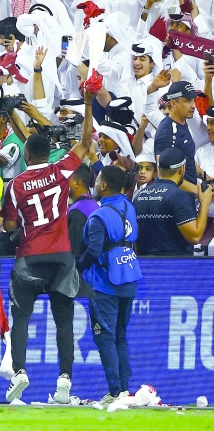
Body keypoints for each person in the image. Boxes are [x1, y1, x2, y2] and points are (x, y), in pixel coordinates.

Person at [0, 90, 94, 404]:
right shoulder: (61, 170)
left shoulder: (15, 185)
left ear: (26, 155)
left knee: (22, 318)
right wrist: (90, 102)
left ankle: (20, 371)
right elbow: (85, 143)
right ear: (47, 153)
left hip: (29, 256)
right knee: (64, 320)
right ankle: (65, 380)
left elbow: (10, 227)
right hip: (62, 257)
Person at [77, 164, 141, 406]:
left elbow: (93, 249)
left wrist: (77, 269)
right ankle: (124, 390)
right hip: (130, 274)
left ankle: (114, 392)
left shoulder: (98, 216)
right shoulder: (129, 206)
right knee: (121, 337)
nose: (94, 184)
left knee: (105, 336)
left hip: (106, 282)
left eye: (97, 180)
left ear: (103, 185)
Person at [133, 148, 213, 256]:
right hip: (173, 266)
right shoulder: (178, 196)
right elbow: (194, 237)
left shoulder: (140, 195)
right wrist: (205, 204)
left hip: (144, 265)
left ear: (159, 169)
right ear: (181, 170)